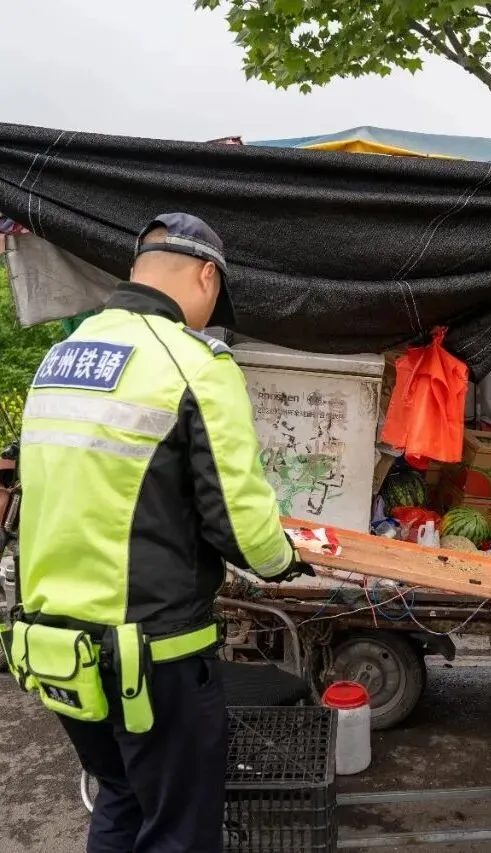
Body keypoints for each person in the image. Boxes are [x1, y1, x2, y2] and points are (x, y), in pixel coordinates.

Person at [9, 213, 314, 853]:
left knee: (119, 793)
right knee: (179, 828)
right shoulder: (194, 362)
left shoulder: (63, 357)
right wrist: (284, 560)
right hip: (152, 655)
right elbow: (239, 520)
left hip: (55, 647)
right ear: (207, 274)